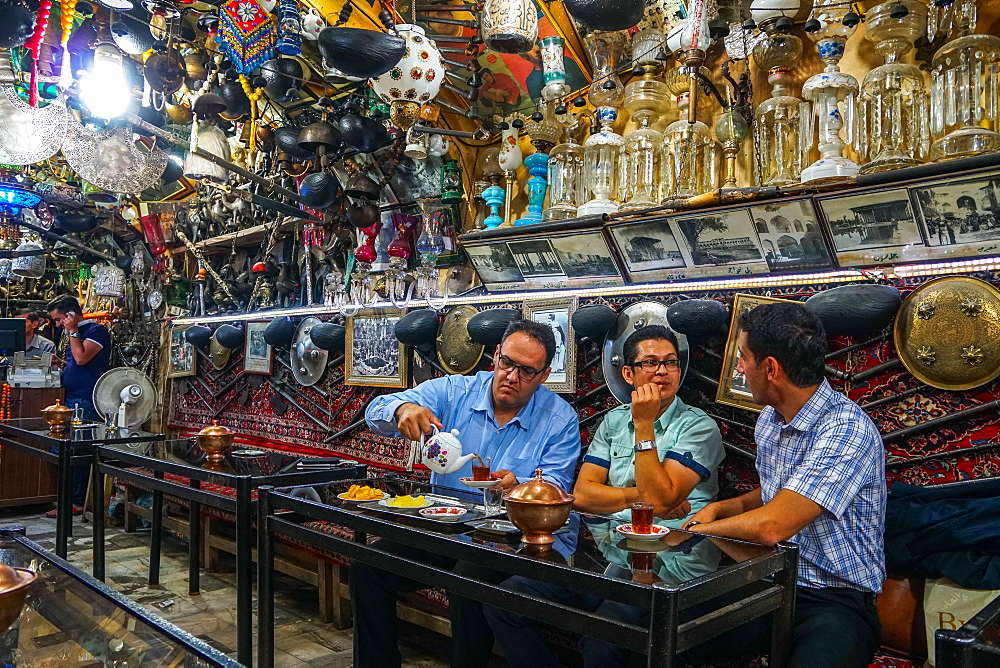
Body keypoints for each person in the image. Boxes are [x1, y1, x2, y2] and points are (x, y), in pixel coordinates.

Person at [483, 324, 724, 666]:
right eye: (650, 363)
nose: (662, 371)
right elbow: (582, 495)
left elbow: (659, 503)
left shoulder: (697, 426)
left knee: (602, 641)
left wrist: (644, 427)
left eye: (670, 363)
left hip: (672, 561)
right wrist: (643, 496)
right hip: (608, 553)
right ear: (628, 373)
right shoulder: (613, 422)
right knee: (503, 601)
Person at [354, 319, 581, 667]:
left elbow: (553, 490)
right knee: (367, 567)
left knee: (467, 579)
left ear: (544, 375)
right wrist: (402, 409)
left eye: (527, 371)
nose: (512, 377)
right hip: (448, 528)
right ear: (495, 356)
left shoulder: (559, 419)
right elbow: (374, 410)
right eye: (507, 363)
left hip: (515, 541)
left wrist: (520, 487)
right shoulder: (455, 391)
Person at [682, 303, 885, 668]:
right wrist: (724, 508)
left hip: (834, 599)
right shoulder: (770, 421)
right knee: (656, 632)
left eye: (743, 358)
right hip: (770, 581)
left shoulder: (846, 429)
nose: (740, 368)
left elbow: (772, 525)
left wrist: (703, 527)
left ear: (771, 368)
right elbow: (777, 493)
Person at [46, 295, 111, 516]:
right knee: (63, 447)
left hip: (85, 399)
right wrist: (63, 364)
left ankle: (77, 500)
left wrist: (73, 331)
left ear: (70, 315)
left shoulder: (96, 331)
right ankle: (69, 498)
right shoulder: (74, 335)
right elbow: (77, 362)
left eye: (58, 320)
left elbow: (82, 359)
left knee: (77, 449)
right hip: (70, 396)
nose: (56, 325)